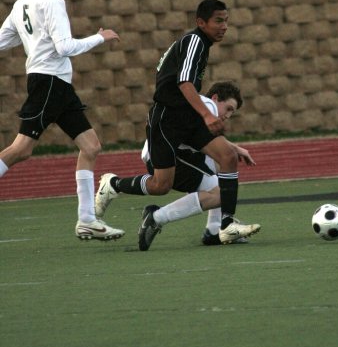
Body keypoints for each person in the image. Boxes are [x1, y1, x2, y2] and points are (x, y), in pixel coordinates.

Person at [97, 0, 255, 248]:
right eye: (218, 21)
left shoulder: (202, 45)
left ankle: (226, 225)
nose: (224, 26)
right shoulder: (195, 41)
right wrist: (206, 115)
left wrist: (228, 141)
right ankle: (113, 184)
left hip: (186, 117)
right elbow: (184, 83)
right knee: (161, 185)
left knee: (227, 156)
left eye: (226, 21)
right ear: (200, 22)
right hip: (167, 118)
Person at [0, 0, 124, 241]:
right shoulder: (52, 0)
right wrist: (99, 37)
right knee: (21, 150)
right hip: (49, 83)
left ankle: (86, 220)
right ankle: (87, 219)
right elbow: (64, 47)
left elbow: (5, 40)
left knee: (91, 147)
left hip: (56, 84)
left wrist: (34, 43)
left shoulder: (21, 4)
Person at [95, 81, 261, 247]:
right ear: (215, 98)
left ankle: (213, 230)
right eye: (229, 108)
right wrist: (233, 150)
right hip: (170, 157)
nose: (228, 116)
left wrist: (234, 149)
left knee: (219, 177)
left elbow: (203, 138)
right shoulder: (207, 105)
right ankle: (155, 216)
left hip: (171, 155)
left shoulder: (201, 109)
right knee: (220, 187)